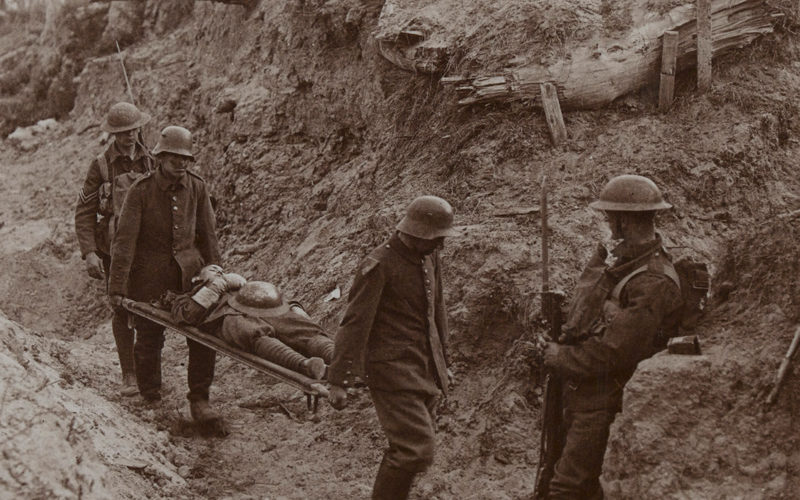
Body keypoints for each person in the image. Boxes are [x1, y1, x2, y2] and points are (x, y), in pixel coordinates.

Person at [541, 174, 684, 499]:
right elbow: (583, 317)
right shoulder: (620, 267)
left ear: (621, 223)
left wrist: (558, 357)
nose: (608, 226)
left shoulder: (651, 282)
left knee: (567, 488)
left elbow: (614, 353)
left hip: (606, 401)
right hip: (584, 394)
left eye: (610, 219)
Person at [328, 195, 460, 500]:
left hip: (422, 366)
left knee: (408, 450)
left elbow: (436, 311)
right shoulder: (379, 264)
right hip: (391, 371)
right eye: (436, 239)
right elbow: (355, 323)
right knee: (416, 450)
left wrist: (444, 363)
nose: (440, 246)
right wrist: (339, 380)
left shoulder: (429, 257)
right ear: (417, 233)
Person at [108, 125, 222, 426]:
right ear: (161, 158)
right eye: (175, 159)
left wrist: (217, 276)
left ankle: (200, 399)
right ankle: (151, 396)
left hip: (191, 276)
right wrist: (117, 288)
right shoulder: (141, 191)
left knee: (204, 335)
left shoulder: (197, 187)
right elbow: (124, 242)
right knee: (148, 338)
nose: (181, 165)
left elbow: (208, 235)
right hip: (149, 278)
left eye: (186, 160)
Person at [74, 101, 153, 397]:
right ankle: (129, 374)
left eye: (133, 130)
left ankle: (148, 373)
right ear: (113, 135)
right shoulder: (101, 165)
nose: (129, 137)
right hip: (114, 247)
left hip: (147, 247)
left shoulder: (151, 160)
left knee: (148, 307)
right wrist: (90, 252)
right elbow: (84, 210)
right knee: (120, 306)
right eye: (122, 133)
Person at [168, 265, 335, 380]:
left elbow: (269, 298)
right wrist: (219, 284)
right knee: (253, 333)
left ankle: (338, 357)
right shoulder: (191, 296)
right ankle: (306, 365)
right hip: (224, 316)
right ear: (197, 278)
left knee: (300, 328)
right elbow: (187, 315)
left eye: (222, 271)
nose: (220, 272)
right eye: (213, 270)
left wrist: (293, 307)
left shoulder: (239, 288)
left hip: (262, 310)